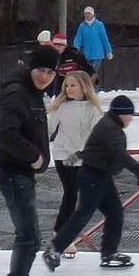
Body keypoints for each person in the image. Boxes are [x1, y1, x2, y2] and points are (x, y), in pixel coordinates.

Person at [0, 45, 61, 276]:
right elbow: (6, 133)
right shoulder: (17, 93)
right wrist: (33, 156)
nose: (44, 76)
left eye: (49, 71)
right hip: (13, 171)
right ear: (31, 68)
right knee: (29, 238)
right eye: (40, 70)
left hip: (20, 172)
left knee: (29, 237)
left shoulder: (32, 93)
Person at [48, 95, 139, 269]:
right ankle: (55, 248)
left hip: (99, 175)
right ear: (121, 114)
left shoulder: (108, 124)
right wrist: (138, 170)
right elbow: (118, 153)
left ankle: (109, 254)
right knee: (84, 214)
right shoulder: (111, 128)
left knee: (115, 213)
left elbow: (95, 149)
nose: (131, 119)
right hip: (93, 175)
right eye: (129, 115)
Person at [46, 68, 101, 258]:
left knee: (79, 195)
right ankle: (61, 234)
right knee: (70, 192)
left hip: (82, 156)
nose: (68, 89)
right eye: (66, 85)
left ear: (84, 87)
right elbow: (49, 128)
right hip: (63, 154)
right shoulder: (61, 105)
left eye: (72, 85)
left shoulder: (93, 108)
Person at [71, 6, 113, 84]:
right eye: (86, 13)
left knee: (93, 73)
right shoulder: (82, 26)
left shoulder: (99, 25)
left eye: (89, 13)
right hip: (87, 54)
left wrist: (108, 51)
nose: (87, 15)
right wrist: (76, 48)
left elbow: (104, 38)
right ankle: (90, 91)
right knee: (88, 73)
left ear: (93, 14)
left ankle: (93, 91)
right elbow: (78, 39)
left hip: (97, 54)